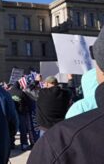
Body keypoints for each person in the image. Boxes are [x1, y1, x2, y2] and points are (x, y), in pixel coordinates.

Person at [27, 27, 104, 164]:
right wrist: (69, 80)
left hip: (50, 131)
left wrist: (36, 81)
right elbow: (71, 90)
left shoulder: (59, 142)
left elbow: (29, 90)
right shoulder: (65, 93)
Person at [8, 82, 32, 151]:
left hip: (11, 114)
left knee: (11, 129)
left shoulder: (8, 92)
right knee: (23, 130)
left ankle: (11, 144)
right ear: (19, 86)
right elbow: (27, 103)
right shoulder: (22, 93)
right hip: (21, 113)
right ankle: (24, 145)